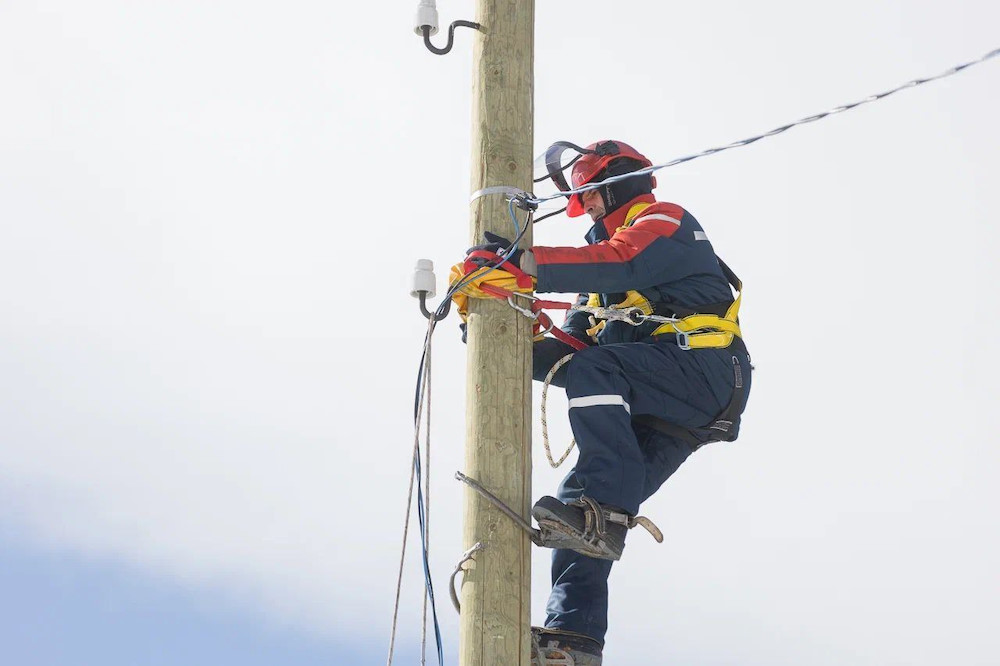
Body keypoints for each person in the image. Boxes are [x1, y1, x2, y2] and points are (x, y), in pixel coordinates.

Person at [466, 139, 752, 665]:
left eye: (587, 195)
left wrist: (521, 263)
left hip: (706, 372)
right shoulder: (593, 288)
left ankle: (598, 517)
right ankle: (571, 643)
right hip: (664, 401)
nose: (584, 207)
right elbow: (569, 357)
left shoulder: (664, 222)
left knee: (595, 488)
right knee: (587, 505)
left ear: (614, 180)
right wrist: (495, 328)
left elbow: (621, 264)